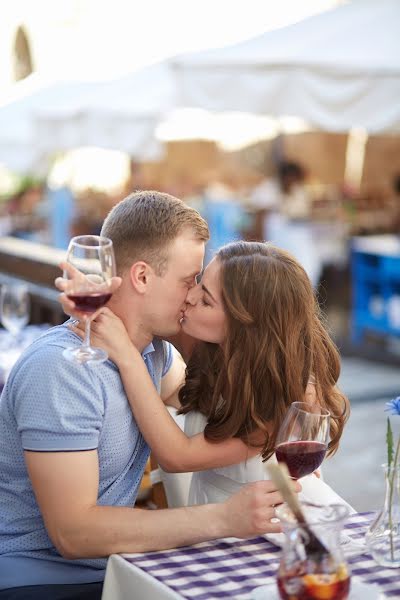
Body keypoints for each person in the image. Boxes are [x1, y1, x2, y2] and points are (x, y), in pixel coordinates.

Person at [0, 192, 297, 600]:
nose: (192, 295)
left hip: (119, 569)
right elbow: (74, 534)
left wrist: (297, 388)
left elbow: (208, 397)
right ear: (141, 277)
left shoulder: (153, 354)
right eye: (188, 280)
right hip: (42, 580)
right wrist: (225, 518)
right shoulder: (63, 370)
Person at [64, 240, 350, 511]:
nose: (190, 296)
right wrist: (88, 299)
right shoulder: (208, 343)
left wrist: (127, 356)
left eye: (207, 300)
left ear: (245, 325)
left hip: (268, 524)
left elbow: (179, 456)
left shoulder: (284, 395)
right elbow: (136, 314)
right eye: (199, 281)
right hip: (212, 519)